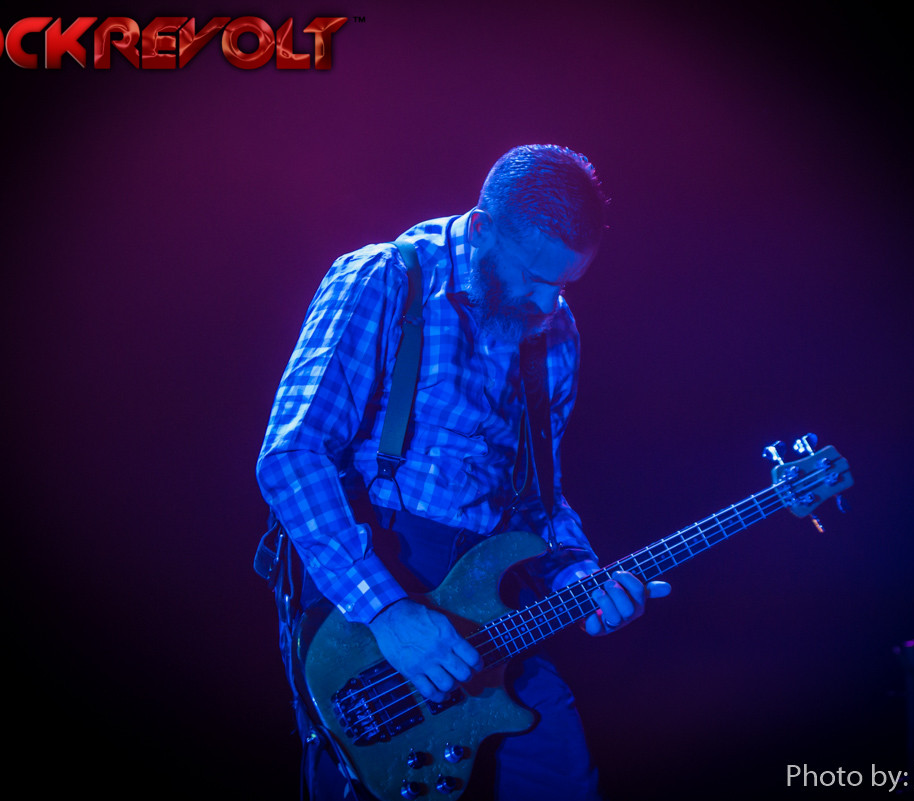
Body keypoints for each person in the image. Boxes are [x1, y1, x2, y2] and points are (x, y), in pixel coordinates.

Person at [255, 144, 670, 800]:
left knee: (565, 778)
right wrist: (388, 611)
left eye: (564, 283)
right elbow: (293, 455)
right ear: (481, 228)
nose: (546, 302)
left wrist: (580, 578)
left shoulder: (555, 332)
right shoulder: (386, 278)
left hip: (490, 606)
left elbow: (537, 500)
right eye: (532, 276)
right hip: (373, 598)